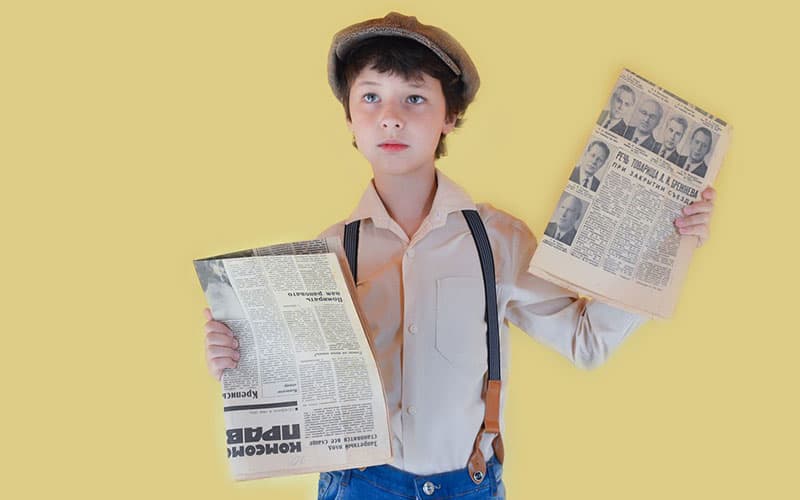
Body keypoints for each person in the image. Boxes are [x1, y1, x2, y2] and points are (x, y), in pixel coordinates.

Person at [202, 12, 718, 499]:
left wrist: (665, 244)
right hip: (359, 485)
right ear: (350, 119)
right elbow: (301, 387)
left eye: (415, 100)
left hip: (467, 482)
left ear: (450, 116)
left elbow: (585, 340)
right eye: (371, 98)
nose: (390, 119)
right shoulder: (328, 253)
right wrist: (236, 355)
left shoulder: (497, 240)